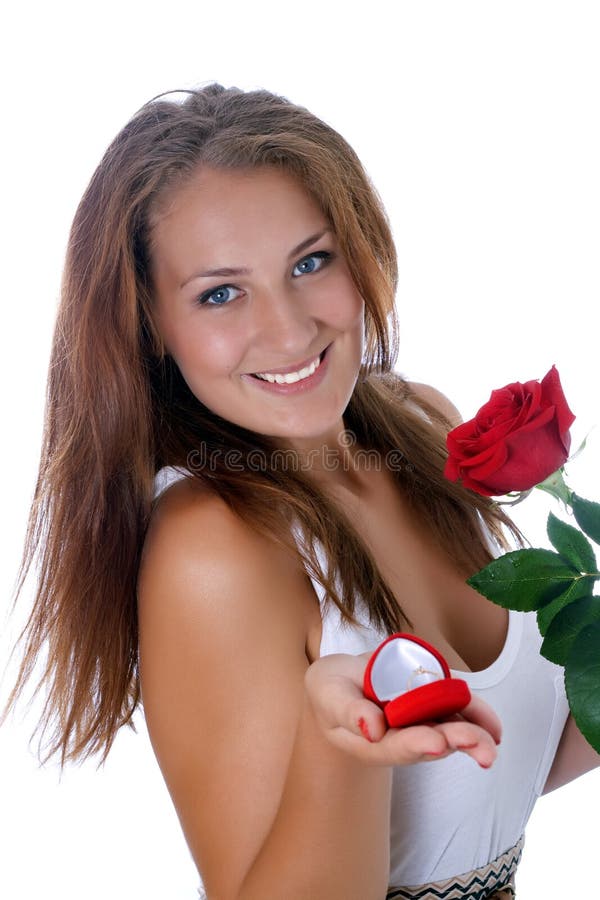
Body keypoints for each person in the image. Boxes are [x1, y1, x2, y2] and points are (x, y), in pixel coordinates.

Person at [5, 82, 599, 900]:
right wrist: (339, 749)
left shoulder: (421, 428)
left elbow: (492, 783)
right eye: (220, 292)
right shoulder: (210, 546)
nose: (287, 330)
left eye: (311, 261)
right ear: (150, 323)